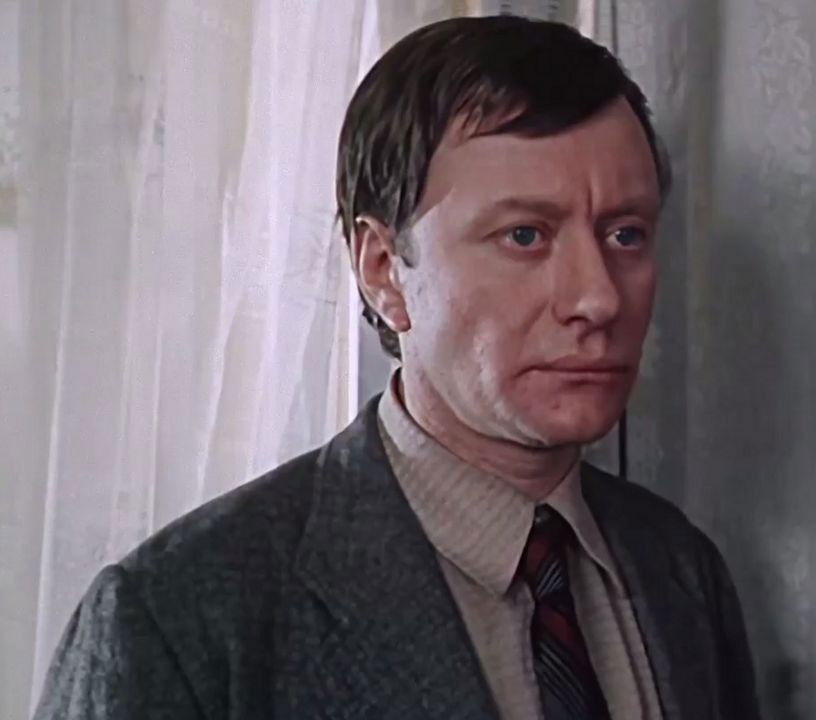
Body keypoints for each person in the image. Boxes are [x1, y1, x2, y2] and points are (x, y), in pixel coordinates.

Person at [33, 15, 760, 720]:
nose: (597, 297)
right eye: (525, 236)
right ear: (384, 269)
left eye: (625, 234)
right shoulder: (179, 619)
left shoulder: (680, 570)